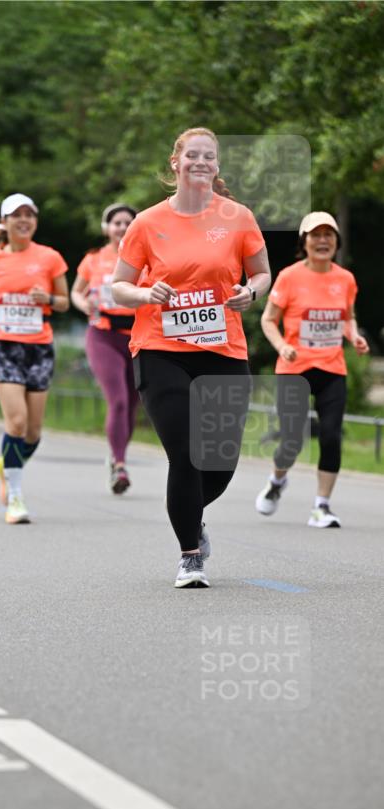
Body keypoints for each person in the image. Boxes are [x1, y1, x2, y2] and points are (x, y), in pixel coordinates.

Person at [112, 127, 271, 588]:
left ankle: (191, 516)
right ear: (175, 163)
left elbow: (262, 274)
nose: (200, 162)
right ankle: (190, 555)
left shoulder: (238, 218)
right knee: (185, 454)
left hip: (222, 350)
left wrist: (250, 293)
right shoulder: (147, 222)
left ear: (217, 166)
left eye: (209, 156)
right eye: (192, 155)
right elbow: (119, 287)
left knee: (219, 464)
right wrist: (146, 293)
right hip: (161, 349)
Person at [255, 211, 369, 527]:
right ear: (304, 242)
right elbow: (268, 320)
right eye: (315, 235)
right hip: (294, 368)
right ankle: (277, 481)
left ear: (336, 241)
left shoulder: (345, 279)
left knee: (331, 436)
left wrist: (354, 336)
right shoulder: (289, 277)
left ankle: (322, 506)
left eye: (328, 235)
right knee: (292, 441)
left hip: (332, 368)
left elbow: (347, 317)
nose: (322, 241)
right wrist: (282, 346)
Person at [0, 193, 69, 523]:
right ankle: (14, 497)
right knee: (16, 422)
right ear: (5, 222)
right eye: (17, 215)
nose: (24, 220)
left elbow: (64, 302)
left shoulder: (50, 257)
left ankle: (6, 464)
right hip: (2, 344)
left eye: (29, 214)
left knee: (33, 432)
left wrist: (47, 298)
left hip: (38, 346)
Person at [71, 203, 139, 493]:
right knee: (118, 400)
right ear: (106, 228)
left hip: (138, 336)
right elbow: (76, 291)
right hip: (103, 335)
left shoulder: (145, 257)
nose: (122, 227)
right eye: (117, 223)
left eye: (128, 222)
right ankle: (120, 465)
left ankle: (116, 455)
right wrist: (82, 303)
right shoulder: (93, 259)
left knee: (132, 404)